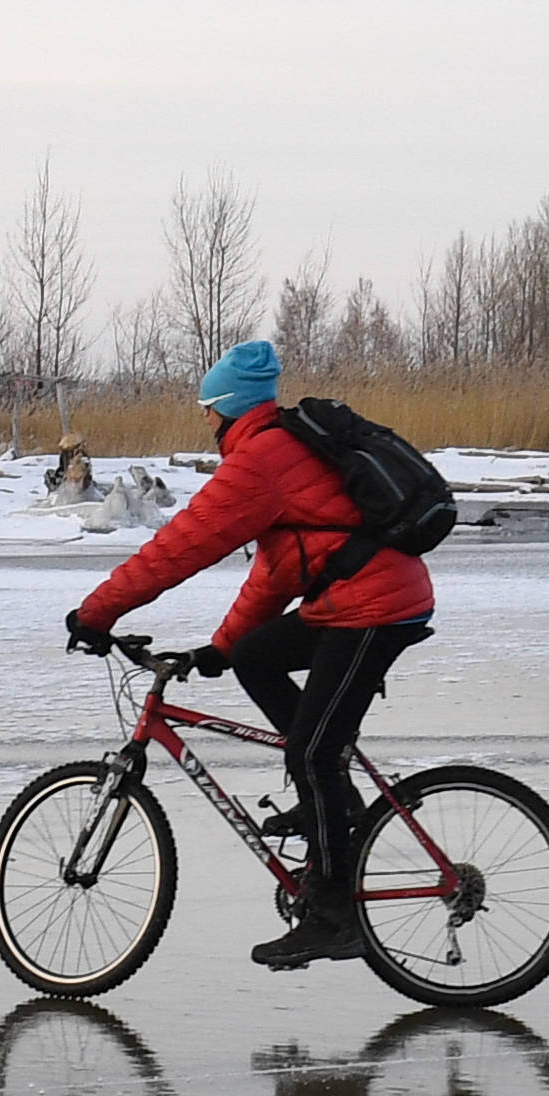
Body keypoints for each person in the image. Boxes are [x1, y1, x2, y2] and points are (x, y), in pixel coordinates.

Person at [61, 341, 435, 969]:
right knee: (257, 657)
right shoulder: (276, 453)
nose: (205, 423)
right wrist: (224, 648)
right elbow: (277, 574)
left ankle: (332, 913)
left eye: (208, 410)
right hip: (352, 602)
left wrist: (97, 613)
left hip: (376, 607)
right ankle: (332, 797)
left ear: (229, 409)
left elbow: (179, 547)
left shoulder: (260, 461)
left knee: (312, 752)